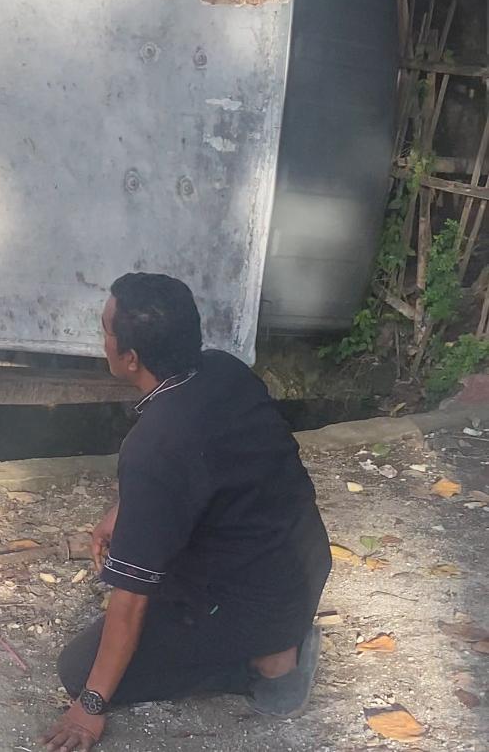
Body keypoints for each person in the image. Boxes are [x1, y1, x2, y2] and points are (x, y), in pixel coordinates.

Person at [42, 273, 331, 752]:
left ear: (129, 358)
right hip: (301, 562)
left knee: (77, 668)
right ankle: (276, 639)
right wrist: (126, 508)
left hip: (255, 600)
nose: (104, 341)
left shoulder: (154, 445)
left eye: (106, 332)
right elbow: (215, 471)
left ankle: (274, 663)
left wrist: (90, 707)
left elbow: (130, 598)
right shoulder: (223, 370)